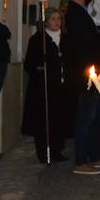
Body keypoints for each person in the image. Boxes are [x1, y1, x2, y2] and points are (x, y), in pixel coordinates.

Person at [60, 0, 100, 175]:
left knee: (97, 115)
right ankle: (82, 160)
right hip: (85, 76)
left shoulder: (81, 11)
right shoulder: (75, 13)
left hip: (93, 73)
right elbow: (85, 42)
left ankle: (96, 155)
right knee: (86, 117)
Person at [22, 9, 69, 163]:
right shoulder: (38, 40)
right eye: (53, 19)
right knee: (43, 120)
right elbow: (29, 64)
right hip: (43, 88)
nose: (57, 22)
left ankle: (57, 150)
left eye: (59, 19)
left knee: (59, 119)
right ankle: (43, 152)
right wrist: (40, 65)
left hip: (60, 86)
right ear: (46, 21)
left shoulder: (65, 38)